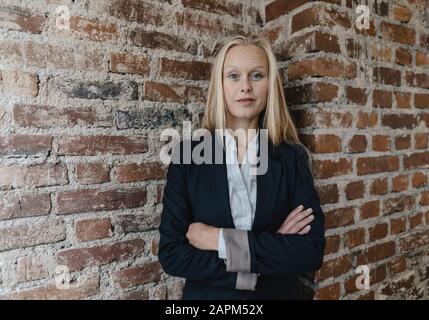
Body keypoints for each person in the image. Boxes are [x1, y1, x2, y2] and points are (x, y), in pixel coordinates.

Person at [158, 35, 325, 300]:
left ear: (270, 85)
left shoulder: (292, 158)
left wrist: (220, 240)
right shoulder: (187, 157)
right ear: (220, 86)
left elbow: (310, 252)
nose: (245, 86)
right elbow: (172, 255)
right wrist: (269, 250)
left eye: (256, 75)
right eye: (234, 76)